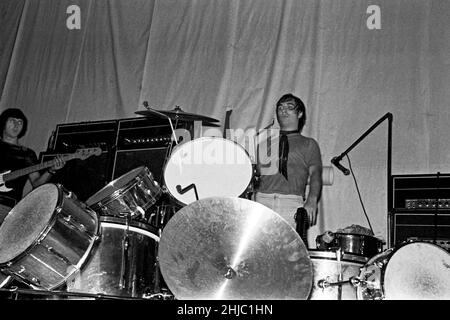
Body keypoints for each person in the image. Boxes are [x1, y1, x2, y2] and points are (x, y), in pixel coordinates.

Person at [254, 93, 323, 246]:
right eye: (280, 107)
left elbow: (316, 173)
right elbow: (257, 176)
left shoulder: (309, 144)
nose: (283, 110)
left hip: (291, 202)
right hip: (263, 200)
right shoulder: (263, 144)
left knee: (289, 254)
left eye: (289, 107)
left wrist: (312, 199)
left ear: (300, 113)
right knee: (260, 251)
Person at [0, 108, 65, 222]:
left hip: (7, 206)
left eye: (20, 122)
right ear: (3, 123)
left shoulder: (27, 154)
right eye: (12, 121)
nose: (16, 125)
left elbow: (36, 183)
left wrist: (51, 170)